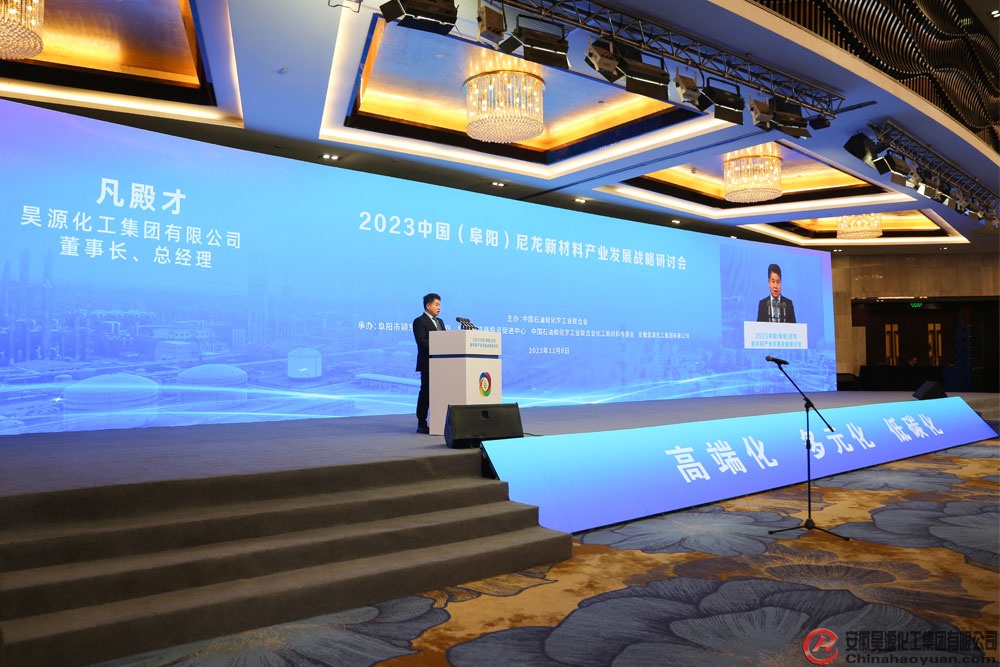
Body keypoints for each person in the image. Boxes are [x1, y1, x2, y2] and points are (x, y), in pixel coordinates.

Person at [413, 292, 444, 434]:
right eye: (436, 305)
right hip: (428, 363)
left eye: (440, 305)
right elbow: (422, 341)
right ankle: (421, 422)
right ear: (428, 305)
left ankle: (440, 421)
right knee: (426, 393)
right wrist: (438, 347)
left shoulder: (440, 322)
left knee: (440, 393)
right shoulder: (419, 321)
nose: (439, 308)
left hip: (442, 363)